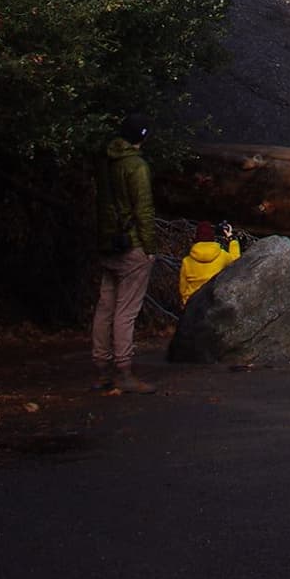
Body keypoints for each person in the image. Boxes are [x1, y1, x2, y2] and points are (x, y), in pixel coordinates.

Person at [91, 113, 157, 395]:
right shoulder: (135, 166)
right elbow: (143, 209)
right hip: (131, 244)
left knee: (105, 306)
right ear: (142, 137)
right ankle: (124, 370)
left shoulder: (105, 160)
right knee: (125, 310)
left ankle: (101, 369)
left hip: (108, 243)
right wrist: (150, 247)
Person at [178, 220, 242, 306]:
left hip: (193, 305)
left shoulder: (187, 261)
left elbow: (183, 288)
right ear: (212, 237)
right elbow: (236, 262)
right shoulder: (222, 256)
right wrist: (231, 239)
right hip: (214, 305)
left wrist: (185, 304)